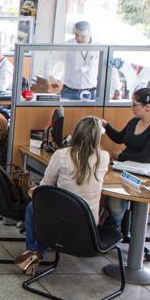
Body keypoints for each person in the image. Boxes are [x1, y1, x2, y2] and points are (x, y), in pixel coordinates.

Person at [17, 116, 111, 273]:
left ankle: (34, 255)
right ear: (97, 136)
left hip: (60, 220)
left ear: (75, 133)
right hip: (87, 225)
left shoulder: (61, 155)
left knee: (33, 208)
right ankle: (37, 252)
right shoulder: (104, 157)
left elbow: (46, 185)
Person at [101, 87, 150, 229]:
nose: (131, 108)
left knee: (115, 201)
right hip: (125, 168)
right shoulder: (135, 122)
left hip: (144, 177)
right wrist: (106, 126)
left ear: (148, 107)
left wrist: (121, 155)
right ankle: (113, 226)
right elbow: (120, 138)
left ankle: (113, 227)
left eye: (134, 105)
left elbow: (145, 157)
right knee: (109, 192)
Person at [57, 21, 100, 100]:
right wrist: (52, 80)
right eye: (77, 35)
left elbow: (106, 69)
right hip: (68, 92)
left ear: (90, 34)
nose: (79, 39)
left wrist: (115, 90)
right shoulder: (67, 45)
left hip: (91, 93)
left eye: (83, 36)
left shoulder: (98, 48)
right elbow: (51, 61)